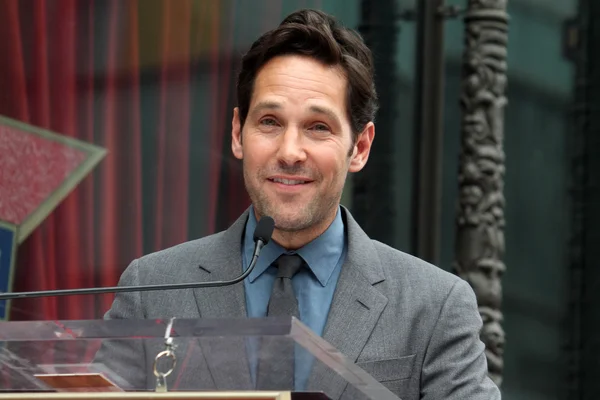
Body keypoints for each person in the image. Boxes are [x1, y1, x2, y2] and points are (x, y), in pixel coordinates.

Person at [103, 8, 500, 400]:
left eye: (318, 127)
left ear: (359, 147)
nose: (290, 152)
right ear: (239, 133)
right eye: (270, 122)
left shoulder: (434, 306)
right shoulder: (151, 289)